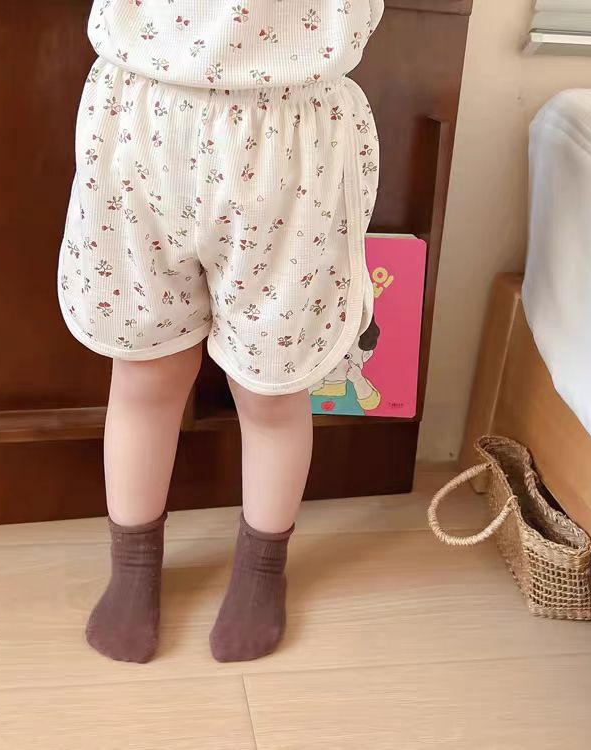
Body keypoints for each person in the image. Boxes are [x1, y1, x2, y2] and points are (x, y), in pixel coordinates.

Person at [58, 0, 383, 664]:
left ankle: (262, 567)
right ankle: (133, 564)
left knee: (272, 387)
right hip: (143, 119)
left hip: (291, 132)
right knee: (144, 369)